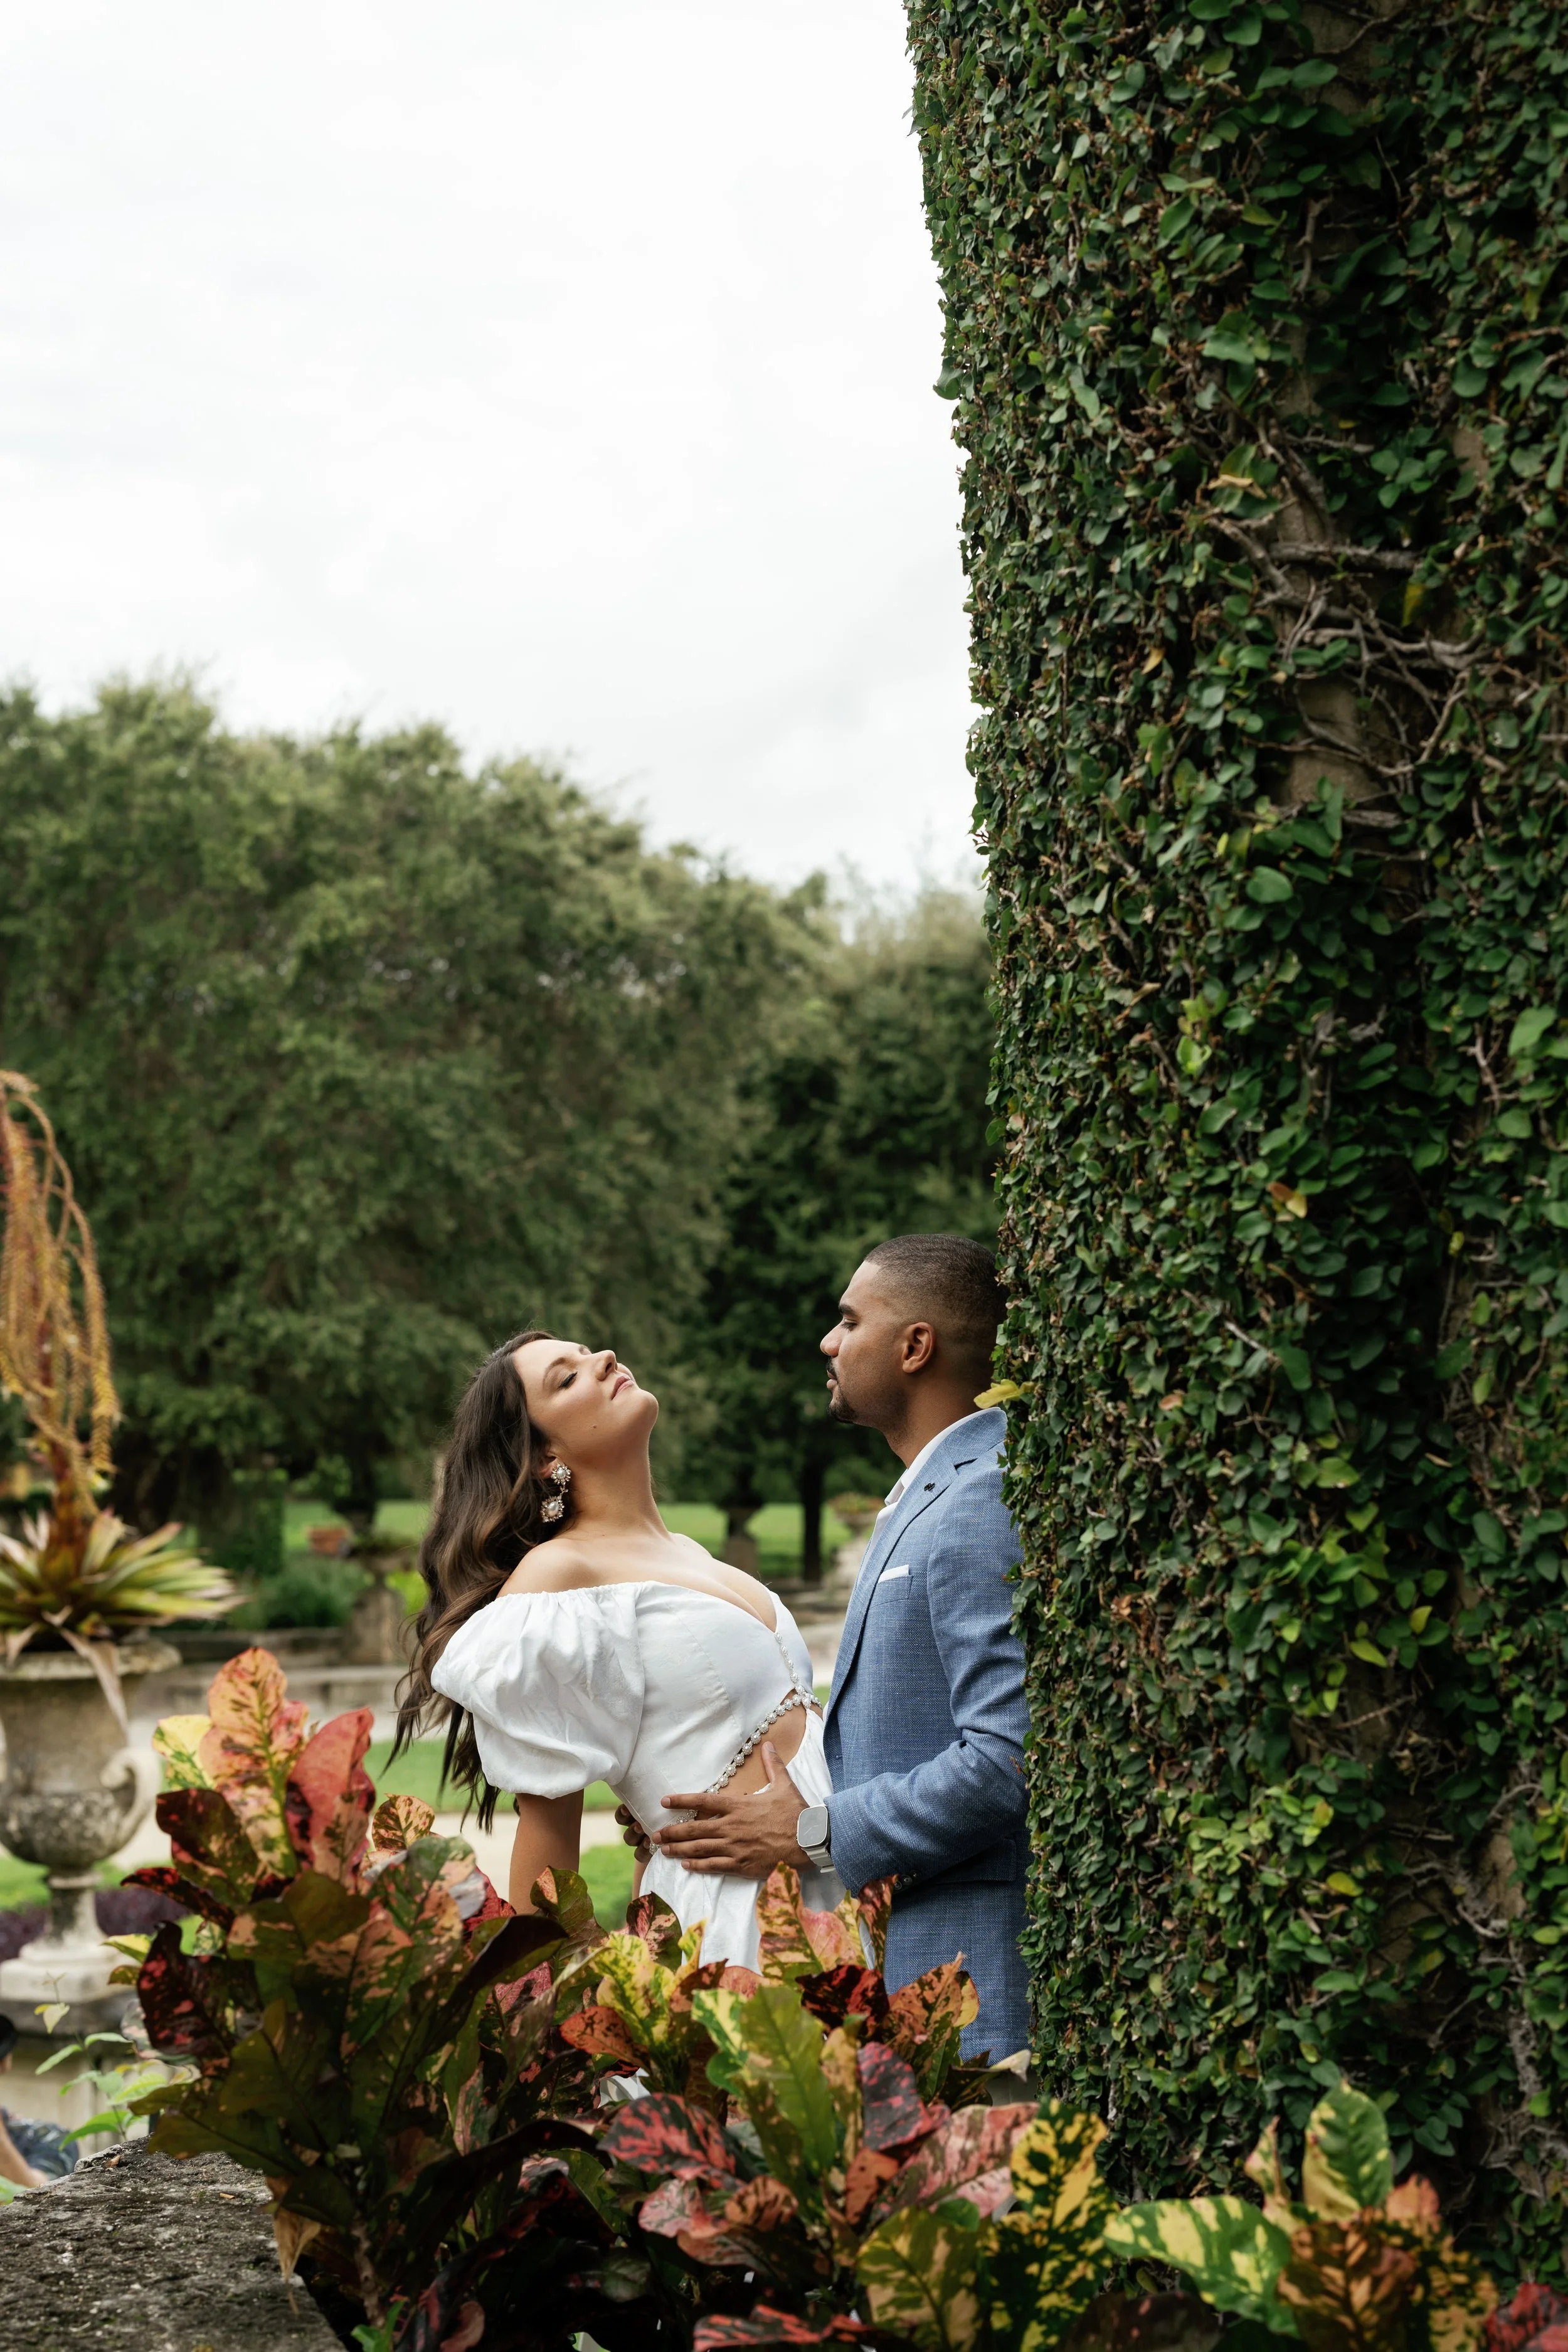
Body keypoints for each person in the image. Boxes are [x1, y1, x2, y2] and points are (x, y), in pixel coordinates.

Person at [649, 1235, 1030, 2059]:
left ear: (915, 1346)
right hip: (915, 1991)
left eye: (849, 1319)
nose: (828, 1340)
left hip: (974, 1996)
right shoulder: (927, 1495)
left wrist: (818, 1833)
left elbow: (1008, 1758)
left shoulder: (977, 1495)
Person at [395, 1330, 842, 1966]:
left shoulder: (691, 1553)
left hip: (835, 1884)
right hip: (740, 1923)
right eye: (566, 1377)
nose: (603, 1358)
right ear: (546, 1454)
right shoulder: (557, 1581)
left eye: (589, 1352)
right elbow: (548, 1839)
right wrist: (540, 2019)